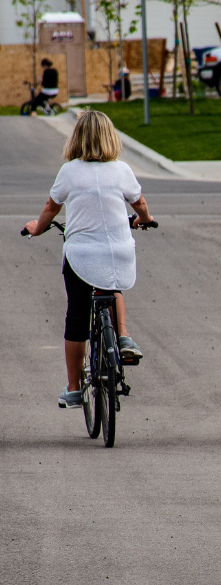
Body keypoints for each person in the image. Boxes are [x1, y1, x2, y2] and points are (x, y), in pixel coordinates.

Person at [24, 110, 154, 409]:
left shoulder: (69, 171)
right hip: (118, 252)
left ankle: (73, 388)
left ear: (77, 138)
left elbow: (51, 207)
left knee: (78, 315)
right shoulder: (121, 169)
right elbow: (140, 203)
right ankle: (123, 337)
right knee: (111, 284)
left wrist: (37, 228)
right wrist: (145, 219)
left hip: (81, 254)